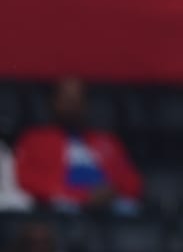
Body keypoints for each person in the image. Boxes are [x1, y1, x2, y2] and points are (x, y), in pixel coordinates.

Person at [12, 78, 143, 212]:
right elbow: (25, 179)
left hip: (109, 207)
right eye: (67, 99)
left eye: (78, 100)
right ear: (53, 102)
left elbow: (133, 184)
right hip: (61, 208)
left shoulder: (107, 141)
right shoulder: (35, 139)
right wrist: (82, 196)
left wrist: (113, 191)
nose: (73, 106)